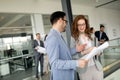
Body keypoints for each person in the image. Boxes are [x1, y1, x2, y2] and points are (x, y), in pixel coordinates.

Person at [45, 11, 88, 80]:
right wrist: (76, 63)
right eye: (65, 21)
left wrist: (76, 49)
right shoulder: (52, 37)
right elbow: (55, 63)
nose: (66, 24)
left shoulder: (58, 36)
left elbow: (64, 54)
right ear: (60, 21)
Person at [71, 15, 103, 80]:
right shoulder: (73, 38)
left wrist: (98, 52)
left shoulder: (91, 36)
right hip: (84, 70)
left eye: (83, 24)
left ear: (86, 24)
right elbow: (72, 56)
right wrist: (85, 51)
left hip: (96, 67)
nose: (82, 26)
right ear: (76, 26)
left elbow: (100, 50)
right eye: (79, 25)